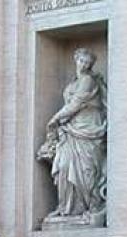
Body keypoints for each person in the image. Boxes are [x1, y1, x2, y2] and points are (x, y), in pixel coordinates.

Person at [38, 48, 108, 226]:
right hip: (70, 129)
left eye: (87, 63)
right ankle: (66, 208)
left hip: (88, 127)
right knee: (63, 166)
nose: (84, 65)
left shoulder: (88, 81)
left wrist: (55, 118)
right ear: (75, 60)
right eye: (81, 61)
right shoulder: (72, 83)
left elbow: (76, 104)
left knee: (87, 170)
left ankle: (89, 206)